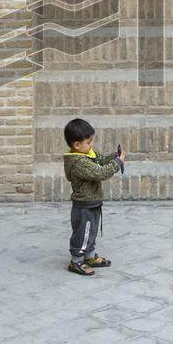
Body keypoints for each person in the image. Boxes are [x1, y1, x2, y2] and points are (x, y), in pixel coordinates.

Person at [63, 118, 126, 276]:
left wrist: (113, 157)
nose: (91, 145)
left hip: (92, 203)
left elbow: (101, 160)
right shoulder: (79, 163)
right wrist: (117, 164)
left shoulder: (86, 154)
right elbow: (100, 173)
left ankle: (89, 256)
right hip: (84, 206)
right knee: (83, 234)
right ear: (77, 145)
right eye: (88, 142)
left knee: (91, 232)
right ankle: (76, 261)